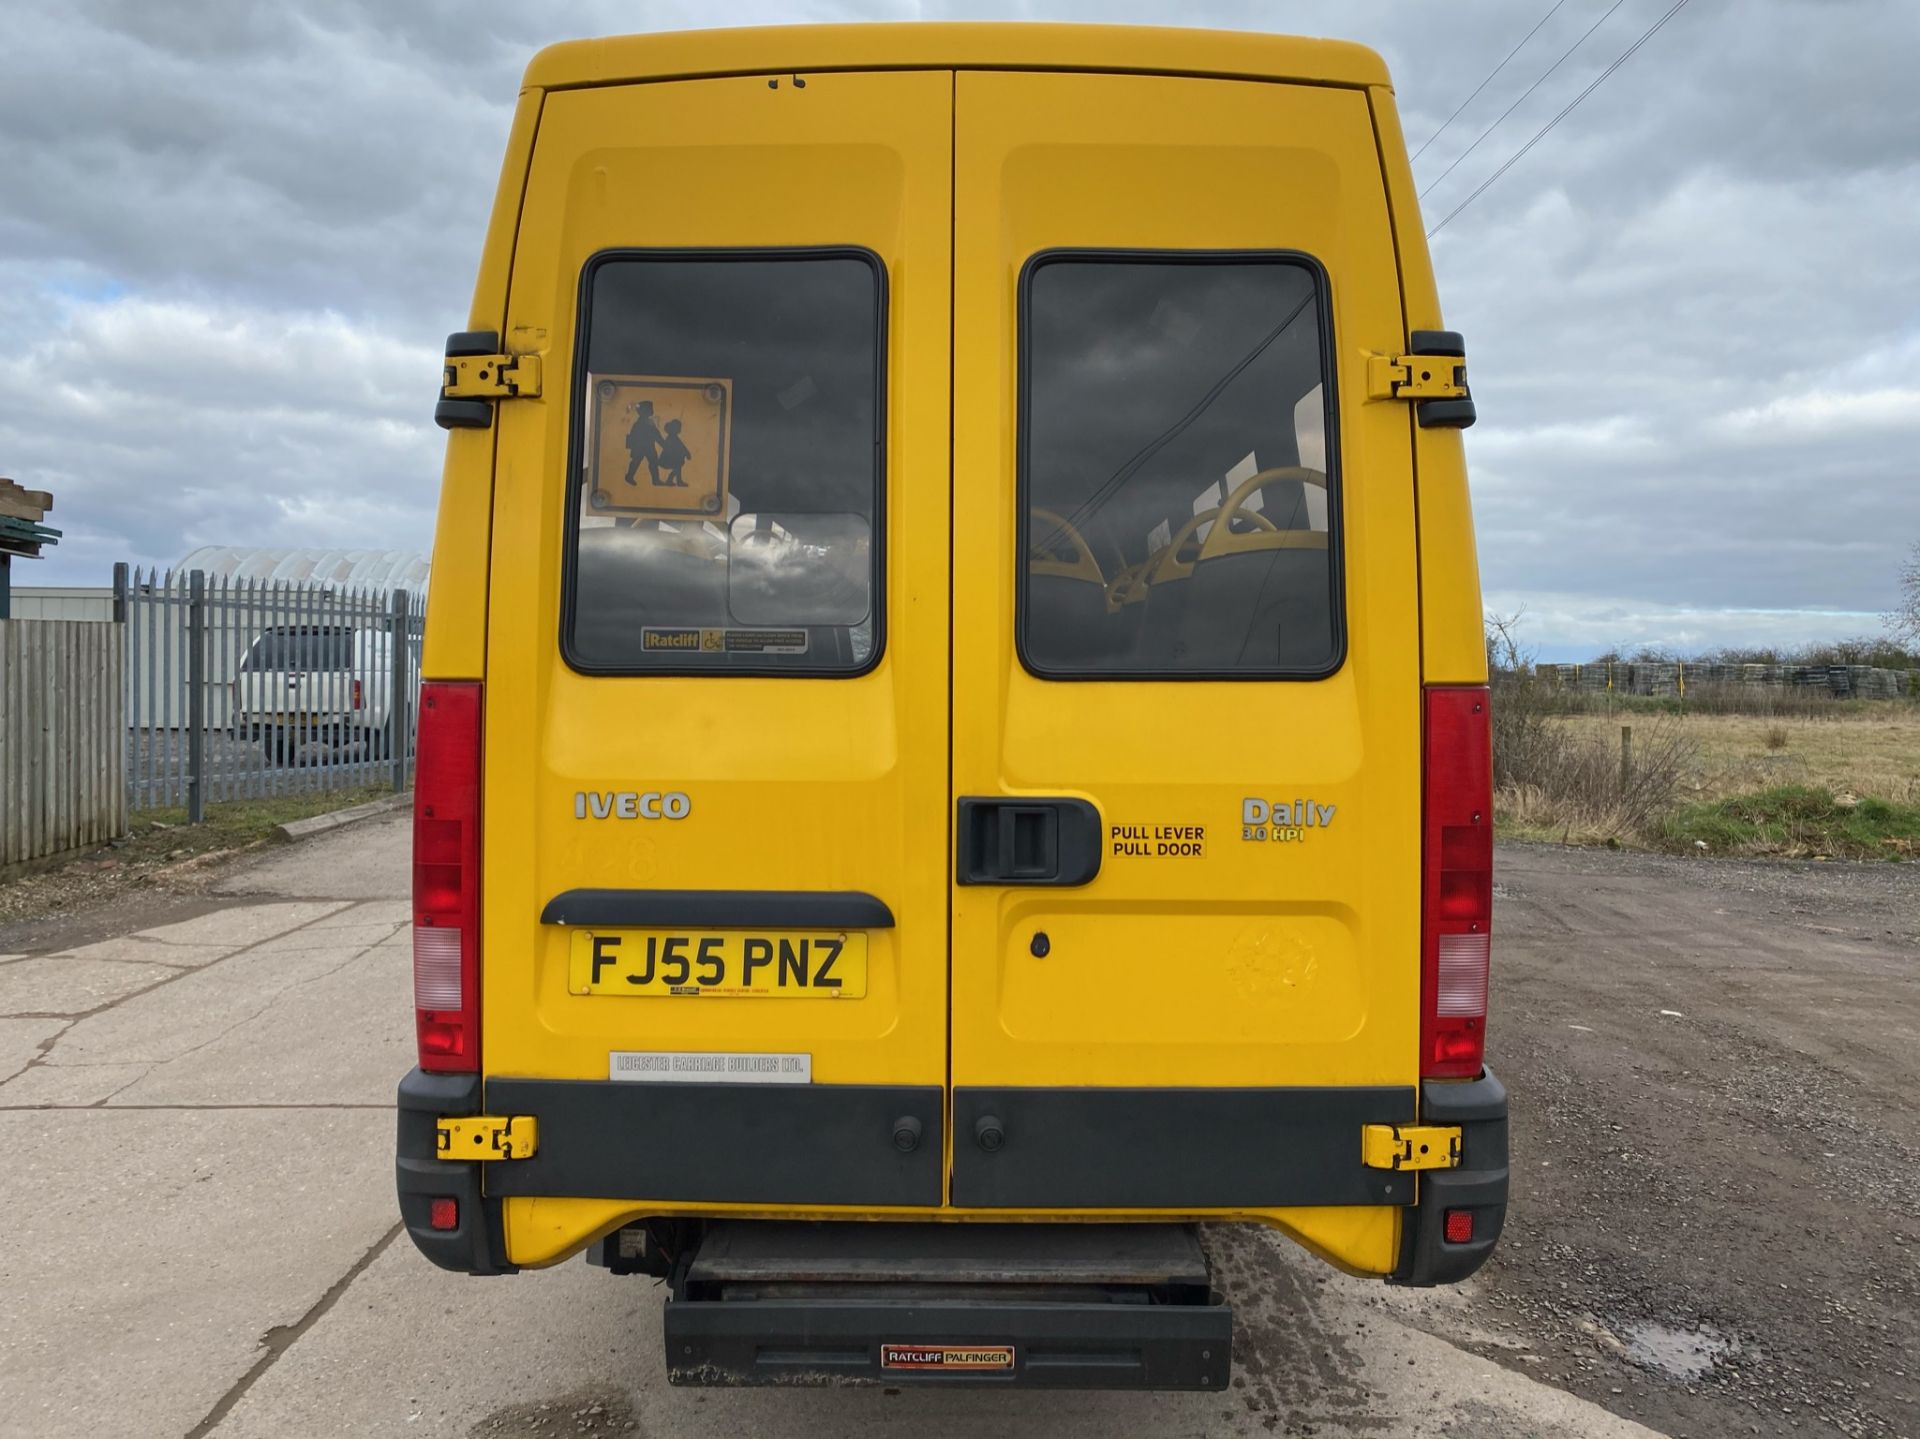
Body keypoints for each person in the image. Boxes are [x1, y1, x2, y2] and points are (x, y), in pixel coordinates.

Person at [622, 401, 664, 486]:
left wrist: (663, 444)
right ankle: (629, 476)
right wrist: (663, 444)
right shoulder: (640, 423)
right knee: (636, 462)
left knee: (653, 462)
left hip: (649, 447)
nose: (651, 410)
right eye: (649, 409)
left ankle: (655, 480)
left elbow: (656, 434)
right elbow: (656, 435)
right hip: (640, 447)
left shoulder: (648, 422)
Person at [656, 418, 693, 487]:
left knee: (678, 467)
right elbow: (674, 448)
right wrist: (685, 453)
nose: (679, 429)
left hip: (671, 459)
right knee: (677, 466)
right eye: (678, 428)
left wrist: (686, 453)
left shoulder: (675, 438)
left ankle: (671, 480)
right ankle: (677, 481)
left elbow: (682, 447)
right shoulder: (671, 438)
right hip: (667, 460)